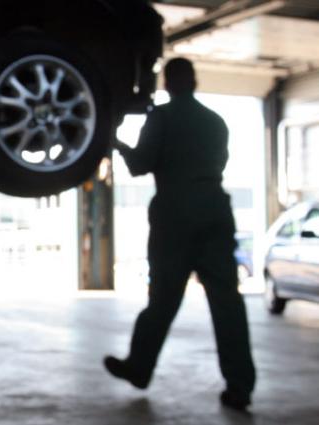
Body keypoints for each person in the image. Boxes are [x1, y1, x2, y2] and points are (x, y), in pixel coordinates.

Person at [105, 58, 256, 411]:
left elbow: (141, 164)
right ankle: (240, 387)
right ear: (195, 82)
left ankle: (139, 368)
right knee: (227, 303)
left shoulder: (162, 117)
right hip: (216, 211)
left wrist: (116, 142)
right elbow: (217, 163)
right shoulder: (215, 122)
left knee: (162, 301)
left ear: (167, 84)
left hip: (175, 216)